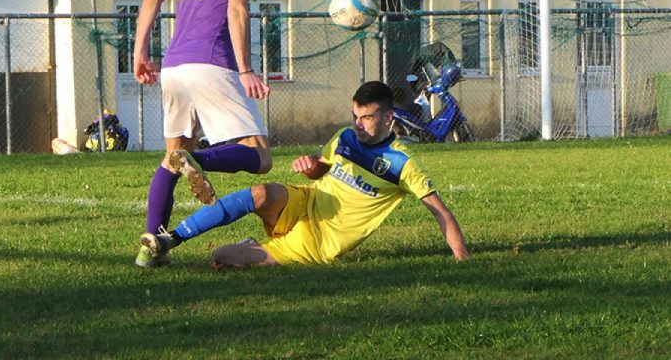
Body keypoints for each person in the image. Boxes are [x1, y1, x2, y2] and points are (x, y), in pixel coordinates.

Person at [139, 81, 470, 268]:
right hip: (304, 202)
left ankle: (249, 247)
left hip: (317, 243)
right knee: (261, 192)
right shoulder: (345, 137)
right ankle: (171, 238)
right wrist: (310, 167)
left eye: (366, 118)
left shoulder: (402, 163)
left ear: (388, 118)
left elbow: (440, 212)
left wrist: (462, 260)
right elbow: (319, 171)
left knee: (220, 259)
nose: (358, 124)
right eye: (355, 115)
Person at [132, 0, 279, 268]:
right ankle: (202, 162)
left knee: (172, 157)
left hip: (175, 66)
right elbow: (237, 8)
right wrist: (246, 68)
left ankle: (151, 247)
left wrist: (141, 53)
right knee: (260, 157)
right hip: (212, 61)